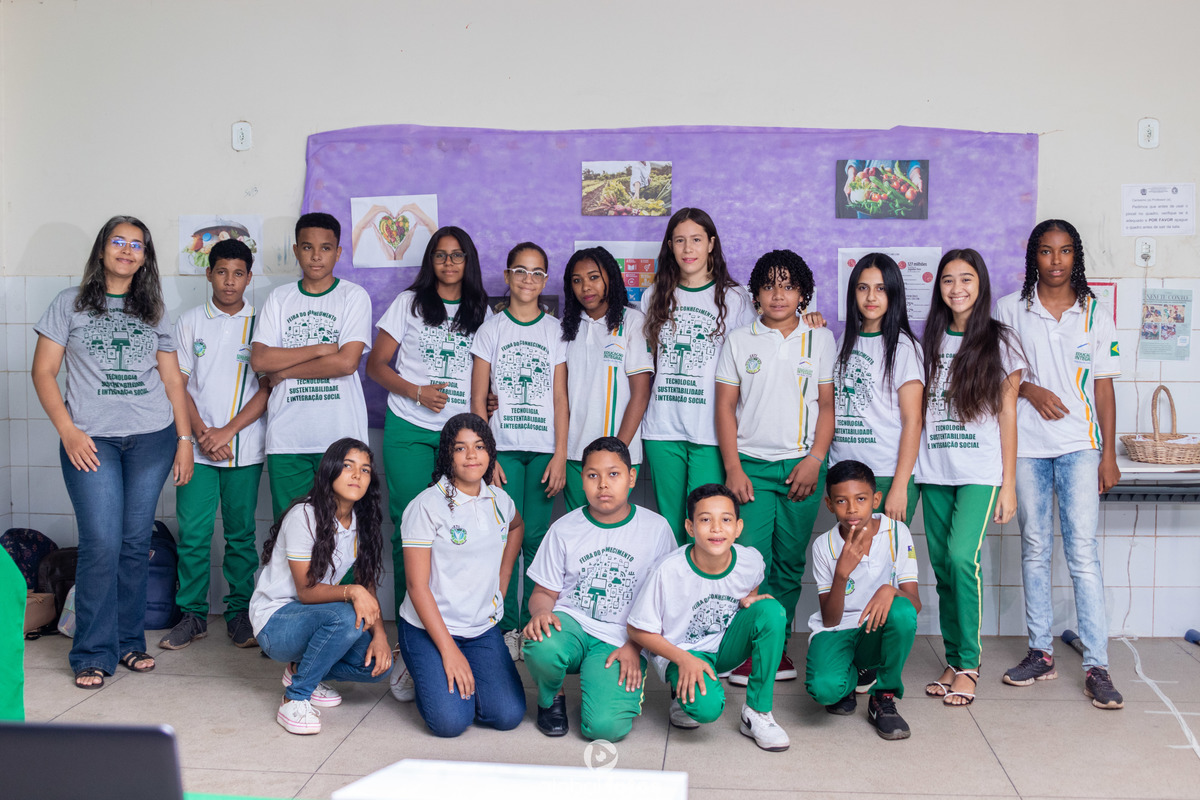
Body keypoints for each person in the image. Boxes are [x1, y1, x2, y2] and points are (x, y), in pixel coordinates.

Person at [31, 215, 194, 689]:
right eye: (118, 241)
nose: (127, 250)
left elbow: (172, 380)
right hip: (90, 440)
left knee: (134, 543)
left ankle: (128, 642)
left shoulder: (153, 310)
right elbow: (43, 372)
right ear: (102, 249)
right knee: (101, 543)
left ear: (145, 258)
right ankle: (92, 651)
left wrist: (184, 440)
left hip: (152, 438)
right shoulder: (69, 304)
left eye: (136, 244)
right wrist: (68, 431)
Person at [995, 219, 1124, 709]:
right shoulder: (1010, 308)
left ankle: (1097, 666)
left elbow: (1104, 388)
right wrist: (1030, 389)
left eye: (1065, 251)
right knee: (1034, 547)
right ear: (1034, 256)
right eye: (1047, 251)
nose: (1056, 261)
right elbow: (999, 376)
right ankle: (1041, 652)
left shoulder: (1094, 312)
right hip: (1027, 446)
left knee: (1082, 554)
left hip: (1079, 446)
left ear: (1076, 256)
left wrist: (1107, 454)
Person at [715, 249, 834, 685]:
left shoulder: (820, 338)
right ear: (756, 294)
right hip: (751, 466)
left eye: (788, 286)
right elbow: (725, 407)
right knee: (751, 561)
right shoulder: (739, 339)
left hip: (803, 467)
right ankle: (747, 647)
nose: (778, 295)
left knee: (788, 562)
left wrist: (815, 459)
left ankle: (776, 647)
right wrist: (733, 468)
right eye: (768, 286)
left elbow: (826, 406)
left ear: (803, 293)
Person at [366, 226, 491, 621]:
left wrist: (490, 397)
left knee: (457, 527)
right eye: (440, 255)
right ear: (430, 261)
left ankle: (451, 620)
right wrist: (417, 392)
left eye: (457, 255)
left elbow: (486, 372)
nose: (448, 262)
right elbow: (375, 366)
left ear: (468, 261)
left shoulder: (481, 311)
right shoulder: (409, 303)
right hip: (409, 429)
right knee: (410, 524)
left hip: (461, 435)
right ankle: (410, 625)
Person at [918, 249, 1024, 707]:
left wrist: (1009, 483)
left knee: (963, 559)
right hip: (934, 468)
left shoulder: (1002, 340)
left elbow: (1008, 414)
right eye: (948, 280)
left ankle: (970, 664)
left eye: (966, 279)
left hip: (980, 471)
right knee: (943, 567)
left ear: (981, 285)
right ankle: (953, 658)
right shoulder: (928, 339)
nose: (956, 288)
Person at [522, 437, 675, 741]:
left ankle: (599, 690)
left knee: (604, 729)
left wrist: (635, 647)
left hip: (622, 638)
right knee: (542, 642)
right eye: (593, 475)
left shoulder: (656, 529)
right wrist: (540, 613)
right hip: (572, 625)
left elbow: (664, 605)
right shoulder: (564, 528)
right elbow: (544, 593)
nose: (603, 484)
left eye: (613, 474)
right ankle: (551, 696)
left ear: (631, 477)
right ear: (582, 480)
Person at [160, 239, 269, 651]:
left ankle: (239, 612)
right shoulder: (190, 321)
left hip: (245, 448)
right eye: (221, 272)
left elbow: (267, 388)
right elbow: (178, 385)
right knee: (194, 535)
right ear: (208, 274)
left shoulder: (262, 322)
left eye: (238, 273)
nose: (229, 281)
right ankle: (192, 615)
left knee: (241, 536)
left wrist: (226, 433)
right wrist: (204, 434)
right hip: (197, 449)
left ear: (249, 277)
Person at [627, 483, 790, 752]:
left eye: (726, 520)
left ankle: (757, 713)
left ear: (738, 527)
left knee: (772, 610)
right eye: (705, 520)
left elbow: (752, 586)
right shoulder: (668, 571)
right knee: (707, 709)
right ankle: (681, 693)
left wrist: (750, 600)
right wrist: (683, 659)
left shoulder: (749, 560)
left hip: (724, 645)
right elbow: (637, 629)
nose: (716, 528)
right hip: (683, 651)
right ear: (690, 528)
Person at [396, 413, 527, 738]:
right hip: (429, 628)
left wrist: (502, 581)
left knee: (508, 714)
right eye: (460, 448)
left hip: (480, 628)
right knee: (451, 722)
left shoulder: (499, 500)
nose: (471, 455)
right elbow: (416, 586)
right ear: (447, 454)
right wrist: (449, 651)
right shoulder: (427, 506)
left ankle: (456, 672)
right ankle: (411, 666)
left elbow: (516, 527)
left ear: (490, 453)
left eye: (479, 446)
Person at [250, 438, 392, 735]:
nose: (357, 475)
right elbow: (306, 591)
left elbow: (366, 582)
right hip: (276, 623)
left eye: (365, 469)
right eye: (348, 466)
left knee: (377, 666)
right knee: (345, 617)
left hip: (316, 617)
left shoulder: (360, 521)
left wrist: (379, 634)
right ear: (330, 470)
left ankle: (300, 671)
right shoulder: (304, 515)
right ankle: (296, 696)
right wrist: (352, 591)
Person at [471, 243, 568, 660]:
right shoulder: (491, 329)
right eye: (520, 271)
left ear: (545, 280)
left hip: (544, 451)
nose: (528, 279)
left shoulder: (556, 330)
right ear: (508, 276)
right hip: (504, 450)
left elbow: (561, 398)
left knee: (535, 537)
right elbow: (478, 399)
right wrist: (487, 456)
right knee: (503, 537)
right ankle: (505, 625)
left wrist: (561, 454)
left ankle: (533, 623)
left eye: (537, 273)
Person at [641, 208, 756, 543]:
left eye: (696, 239)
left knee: (706, 527)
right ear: (670, 246)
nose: (688, 248)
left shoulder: (735, 298)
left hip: (711, 432)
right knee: (671, 526)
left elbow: (752, 358)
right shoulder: (653, 295)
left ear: (711, 244)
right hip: (662, 428)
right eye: (679, 240)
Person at [250, 212, 372, 521]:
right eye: (307, 247)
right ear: (296, 250)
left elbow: (346, 363)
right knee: (292, 531)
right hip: (287, 439)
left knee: (342, 531)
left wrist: (285, 371)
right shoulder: (279, 298)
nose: (316, 256)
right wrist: (319, 350)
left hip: (342, 439)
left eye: (325, 248)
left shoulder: (353, 297)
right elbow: (260, 360)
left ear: (338, 252)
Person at [804, 460, 920, 740]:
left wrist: (890, 590)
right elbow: (830, 619)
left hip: (873, 630)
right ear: (829, 504)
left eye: (861, 499)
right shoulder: (823, 545)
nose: (852, 509)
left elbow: (915, 604)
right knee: (824, 691)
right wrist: (841, 574)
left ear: (875, 500)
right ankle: (853, 674)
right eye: (841, 501)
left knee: (902, 611)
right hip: (837, 631)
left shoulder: (897, 532)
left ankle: (883, 696)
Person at [560, 246, 654, 510]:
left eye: (594, 277)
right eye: (576, 280)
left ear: (610, 279)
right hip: (574, 452)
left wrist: (617, 452)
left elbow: (640, 394)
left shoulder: (632, 321)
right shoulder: (566, 327)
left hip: (620, 453)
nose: (585, 287)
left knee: (612, 524)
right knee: (578, 524)